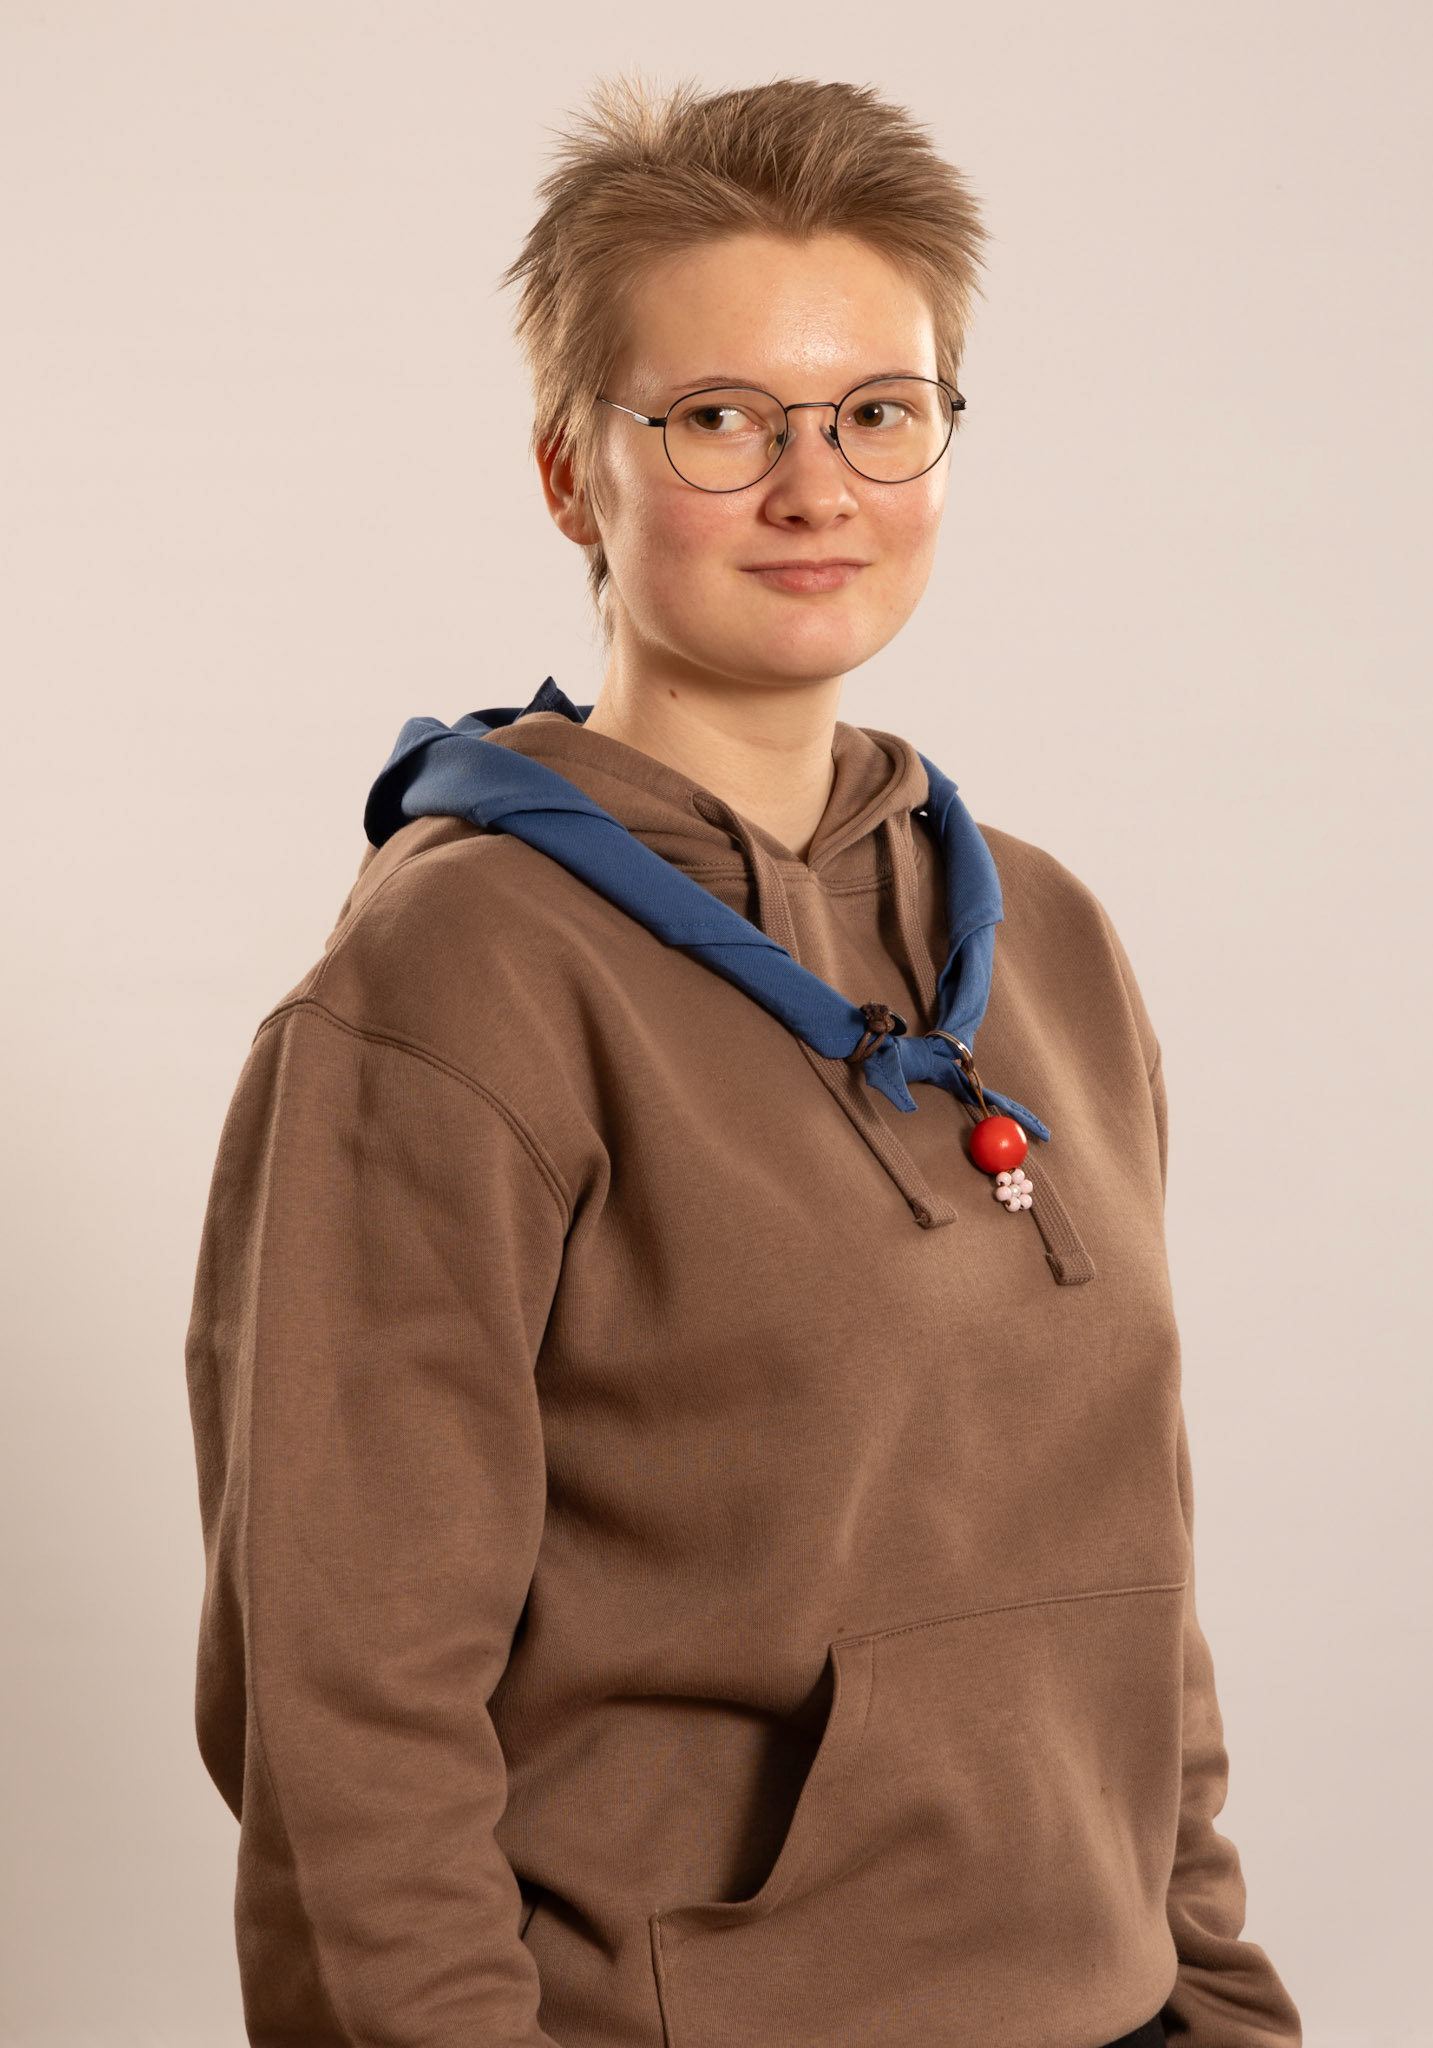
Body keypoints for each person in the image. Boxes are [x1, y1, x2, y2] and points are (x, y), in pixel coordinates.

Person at [184, 76, 1303, 2048]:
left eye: (878, 411)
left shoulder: (1041, 933)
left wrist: (1208, 1981)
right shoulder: (455, 982)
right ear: (571, 474)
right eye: (720, 419)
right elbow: (346, 1715)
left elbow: (1126, 1560)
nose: (816, 489)